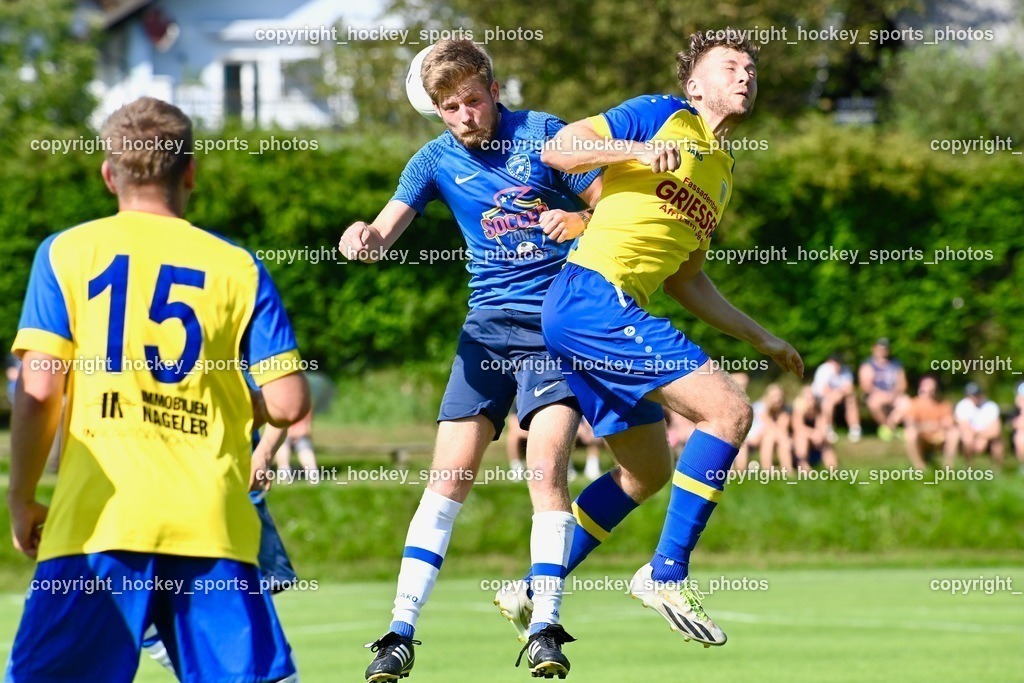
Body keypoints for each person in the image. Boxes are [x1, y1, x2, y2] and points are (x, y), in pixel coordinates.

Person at [4, 97, 309, 682]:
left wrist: (21, 498)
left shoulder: (65, 252)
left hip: (97, 522)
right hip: (211, 523)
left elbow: (39, 389)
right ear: (190, 172)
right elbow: (291, 403)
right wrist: (223, 393)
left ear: (108, 174)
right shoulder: (238, 266)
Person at [340, 39, 601, 680]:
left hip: (554, 328)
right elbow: (384, 227)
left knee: (545, 472)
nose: (465, 116)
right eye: (450, 107)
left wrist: (580, 221)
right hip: (486, 332)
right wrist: (364, 239)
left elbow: (610, 207)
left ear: (493, 88)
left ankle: (545, 628)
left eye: (474, 101)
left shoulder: (544, 135)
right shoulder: (432, 159)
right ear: (436, 109)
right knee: (448, 479)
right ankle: (399, 633)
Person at [535, 30, 802, 648]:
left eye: (751, 67)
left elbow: (687, 279)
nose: (745, 74)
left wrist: (761, 335)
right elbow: (560, 148)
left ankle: (534, 586)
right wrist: (633, 149)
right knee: (729, 410)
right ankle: (665, 574)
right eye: (730, 65)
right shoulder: (663, 114)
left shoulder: (722, 173)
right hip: (592, 297)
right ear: (694, 84)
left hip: (594, 313)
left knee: (646, 470)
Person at [902, 376, 958, 469]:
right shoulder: (914, 404)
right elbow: (910, 423)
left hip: (939, 437)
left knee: (954, 432)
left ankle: (948, 465)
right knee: (910, 433)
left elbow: (949, 422)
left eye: (932, 389)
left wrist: (943, 426)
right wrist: (926, 427)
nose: (929, 393)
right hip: (923, 438)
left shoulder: (943, 404)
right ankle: (919, 467)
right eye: (926, 389)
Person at [858, 338, 908, 440]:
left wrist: (895, 393)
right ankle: (889, 429)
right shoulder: (868, 364)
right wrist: (881, 394)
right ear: (874, 349)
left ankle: (889, 426)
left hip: (894, 394)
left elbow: (902, 383)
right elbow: (866, 385)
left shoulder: (896, 364)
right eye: (880, 348)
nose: (883, 351)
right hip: (876, 394)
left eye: (885, 349)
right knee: (874, 403)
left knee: (907, 403)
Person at [811, 354, 861, 442]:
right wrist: (839, 393)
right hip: (820, 398)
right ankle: (828, 428)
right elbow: (824, 390)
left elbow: (850, 388)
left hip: (840, 397)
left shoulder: (846, 370)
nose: (838, 364)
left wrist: (839, 394)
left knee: (851, 400)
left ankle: (855, 429)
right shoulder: (823, 370)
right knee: (828, 402)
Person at [953, 382, 1003, 465]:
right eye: (971, 395)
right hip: (972, 436)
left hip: (986, 437)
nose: (974, 398)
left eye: (976, 395)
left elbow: (996, 431)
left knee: (997, 442)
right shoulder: (962, 405)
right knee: (967, 439)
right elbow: (964, 427)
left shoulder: (991, 406)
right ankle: (969, 465)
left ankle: (998, 468)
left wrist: (982, 437)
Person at [791, 386, 837, 470]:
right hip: (801, 442)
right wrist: (813, 434)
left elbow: (823, 427)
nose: (811, 401)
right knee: (801, 438)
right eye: (808, 399)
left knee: (825, 441)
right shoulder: (798, 412)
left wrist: (819, 434)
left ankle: (832, 467)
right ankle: (803, 466)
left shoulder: (819, 412)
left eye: (812, 398)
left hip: (816, 441)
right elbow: (799, 428)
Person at [756, 384, 793, 471]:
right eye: (774, 396)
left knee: (778, 438)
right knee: (770, 437)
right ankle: (768, 469)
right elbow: (767, 426)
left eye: (779, 395)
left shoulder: (786, 410)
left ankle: (788, 469)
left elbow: (783, 428)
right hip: (758, 436)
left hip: (777, 436)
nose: (778, 399)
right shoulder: (761, 407)